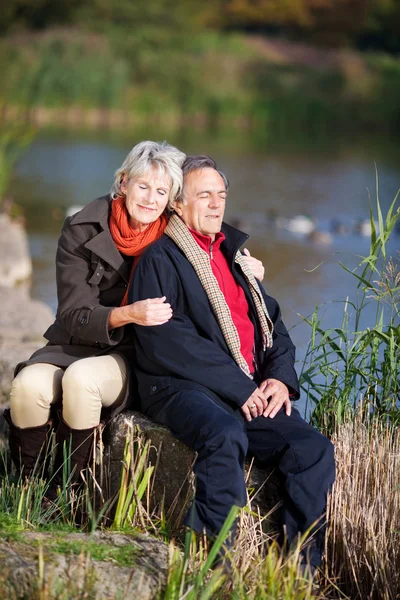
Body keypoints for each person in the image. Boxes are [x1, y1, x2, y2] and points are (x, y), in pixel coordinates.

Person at [5, 141, 265, 502]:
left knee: (83, 381)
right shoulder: (82, 228)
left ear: (171, 197)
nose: (150, 199)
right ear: (124, 183)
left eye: (161, 191)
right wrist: (129, 313)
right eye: (143, 186)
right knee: (27, 385)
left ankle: (65, 494)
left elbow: (214, 251)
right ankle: (26, 491)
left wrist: (242, 269)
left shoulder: (176, 236)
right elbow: (70, 311)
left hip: (132, 353)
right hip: (74, 342)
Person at [128, 155, 336, 569]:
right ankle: (213, 563)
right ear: (179, 204)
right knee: (225, 434)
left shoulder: (236, 260)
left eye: (221, 195)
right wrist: (241, 388)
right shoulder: (160, 259)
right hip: (178, 387)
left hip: (248, 387)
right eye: (204, 195)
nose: (216, 205)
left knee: (312, 448)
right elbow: (170, 342)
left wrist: (278, 380)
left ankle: (299, 571)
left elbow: (273, 328)